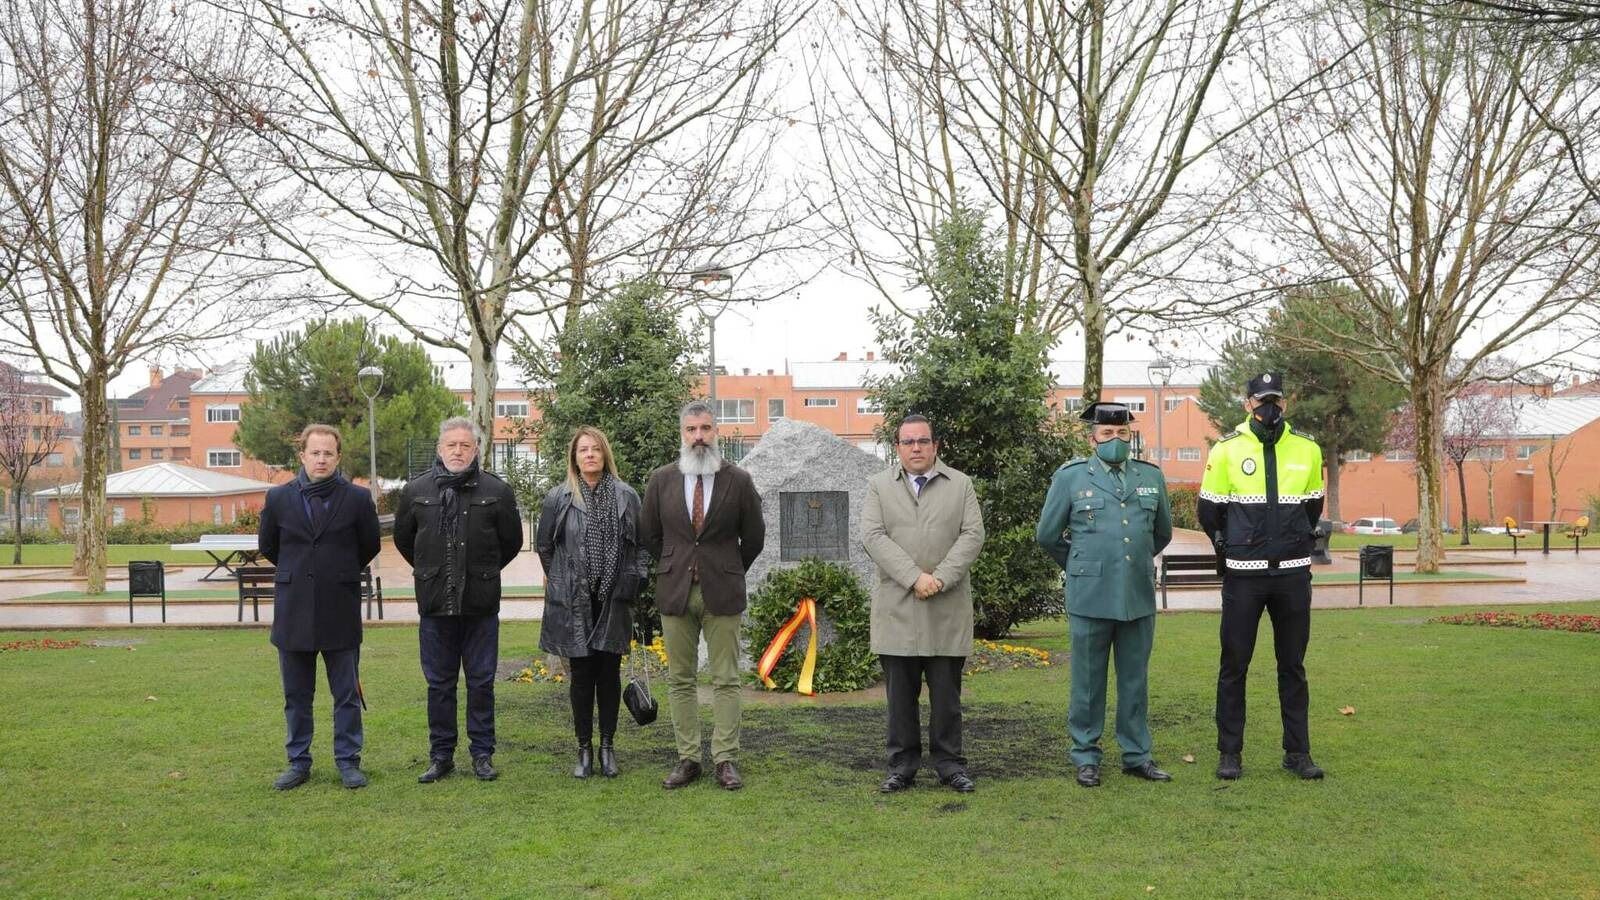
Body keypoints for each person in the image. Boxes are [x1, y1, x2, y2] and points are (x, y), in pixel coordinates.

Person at [1035, 403, 1173, 788]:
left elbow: (1161, 533)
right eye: (1108, 434)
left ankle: (1136, 754)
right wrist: (1080, 562)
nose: (1116, 440)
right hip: (1090, 593)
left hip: (1136, 592)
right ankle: (1085, 755)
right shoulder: (1071, 478)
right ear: (1091, 436)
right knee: (1089, 681)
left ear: (1131, 435)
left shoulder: (1150, 477)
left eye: (1123, 434)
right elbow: (1047, 535)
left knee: (1134, 680)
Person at [1198, 372, 1327, 781]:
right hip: (1244, 577)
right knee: (1234, 665)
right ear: (1247, 404)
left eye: (1275, 400)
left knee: (1293, 666)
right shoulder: (1227, 450)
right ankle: (1230, 753)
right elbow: (1209, 511)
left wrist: (1289, 541)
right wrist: (1236, 546)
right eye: (1260, 401)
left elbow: (1312, 507)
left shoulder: (1307, 449)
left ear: (1284, 404)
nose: (1268, 408)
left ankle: (1298, 753)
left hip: (1291, 575)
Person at [639, 400, 765, 790]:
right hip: (675, 590)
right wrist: (676, 564)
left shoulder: (738, 480)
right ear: (682, 433)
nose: (698, 437)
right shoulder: (661, 480)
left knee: (726, 678)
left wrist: (727, 568)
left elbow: (754, 537)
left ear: (716, 432)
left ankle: (725, 759)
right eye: (691, 430)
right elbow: (650, 536)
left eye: (705, 429)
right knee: (680, 679)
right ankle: (688, 758)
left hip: (722, 591)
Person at [395, 416, 523, 784]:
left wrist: (481, 571)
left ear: (476, 450)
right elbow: (407, 542)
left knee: (481, 683)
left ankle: (482, 754)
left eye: (465, 445)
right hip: (435, 605)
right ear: (439, 449)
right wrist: (432, 571)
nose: (458, 451)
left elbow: (510, 543)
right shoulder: (416, 490)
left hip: (480, 606)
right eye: (451, 445)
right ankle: (441, 755)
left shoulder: (496, 491)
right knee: (439, 684)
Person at [862, 414, 986, 794]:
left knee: (946, 697)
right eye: (908, 442)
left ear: (935, 446)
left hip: (945, 608)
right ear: (897, 447)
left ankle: (950, 765)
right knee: (900, 699)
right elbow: (872, 535)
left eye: (923, 441)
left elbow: (972, 534)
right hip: (898, 608)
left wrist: (941, 577)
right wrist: (915, 577)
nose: (916, 448)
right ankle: (902, 766)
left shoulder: (960, 485)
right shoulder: (879, 487)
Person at [257, 424, 381, 790]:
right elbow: (270, 546)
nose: (322, 459)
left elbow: (368, 545)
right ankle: (298, 762)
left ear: (338, 457)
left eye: (329, 453)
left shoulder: (358, 499)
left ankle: (348, 761)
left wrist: (334, 571)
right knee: (296, 695)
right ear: (303, 456)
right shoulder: (278, 498)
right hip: (293, 610)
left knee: (346, 694)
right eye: (315, 453)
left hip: (339, 608)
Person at [536, 426, 647, 779]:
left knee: (609, 675)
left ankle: (607, 747)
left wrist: (634, 579)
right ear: (574, 456)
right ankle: (584, 748)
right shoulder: (560, 496)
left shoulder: (627, 495)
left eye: (595, 449)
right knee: (581, 676)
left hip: (613, 598)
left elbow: (642, 546)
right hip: (575, 601)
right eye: (583, 450)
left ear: (605, 454)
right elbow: (545, 546)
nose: (589, 455)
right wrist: (562, 581)